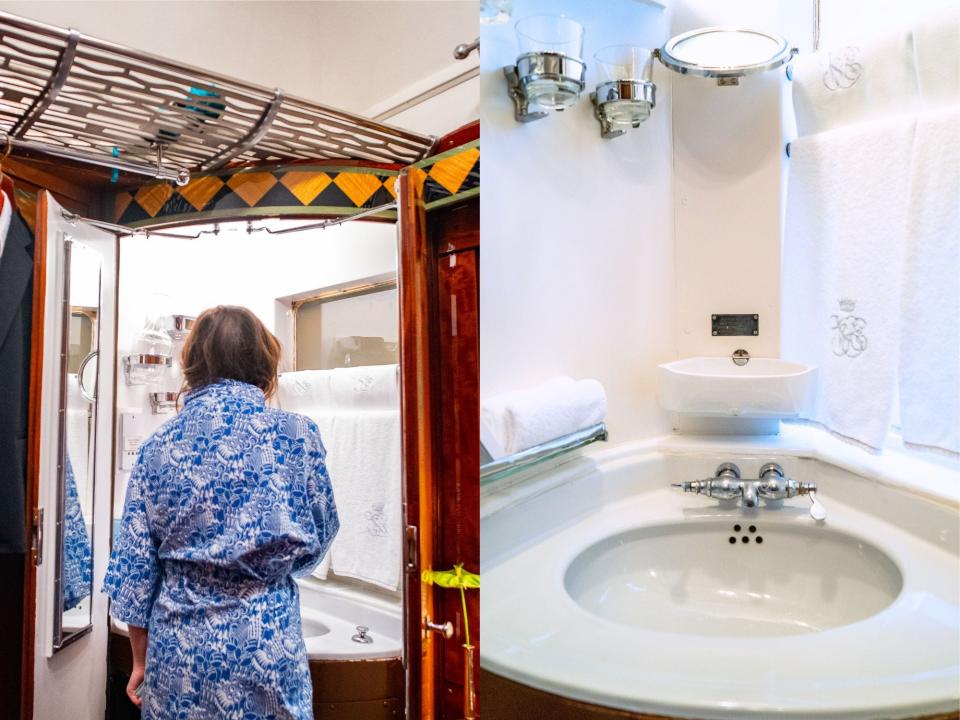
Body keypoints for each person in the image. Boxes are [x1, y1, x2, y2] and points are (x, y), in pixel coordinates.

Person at [103, 305, 338, 720]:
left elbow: (135, 574)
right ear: (264, 361)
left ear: (191, 365)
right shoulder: (297, 435)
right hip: (268, 645)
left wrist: (140, 661)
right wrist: (268, 570)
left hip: (180, 655)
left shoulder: (158, 447)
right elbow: (320, 532)